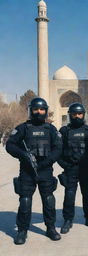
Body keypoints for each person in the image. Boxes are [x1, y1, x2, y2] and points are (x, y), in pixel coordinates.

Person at [6, 97, 62, 245]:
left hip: (45, 171)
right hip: (27, 171)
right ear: (31, 110)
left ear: (46, 111)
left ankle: (50, 228)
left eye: (42, 109)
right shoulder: (23, 128)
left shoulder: (50, 129)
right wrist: (23, 155)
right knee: (25, 201)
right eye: (36, 109)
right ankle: (22, 231)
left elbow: (58, 148)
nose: (39, 112)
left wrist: (47, 162)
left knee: (49, 201)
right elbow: (10, 145)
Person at [58, 102, 88, 234]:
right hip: (70, 168)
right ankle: (68, 220)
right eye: (74, 114)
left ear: (84, 115)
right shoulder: (64, 131)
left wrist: (86, 156)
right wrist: (65, 164)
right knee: (69, 195)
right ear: (70, 115)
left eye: (80, 114)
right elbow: (57, 151)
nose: (77, 116)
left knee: (87, 194)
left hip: (85, 168)